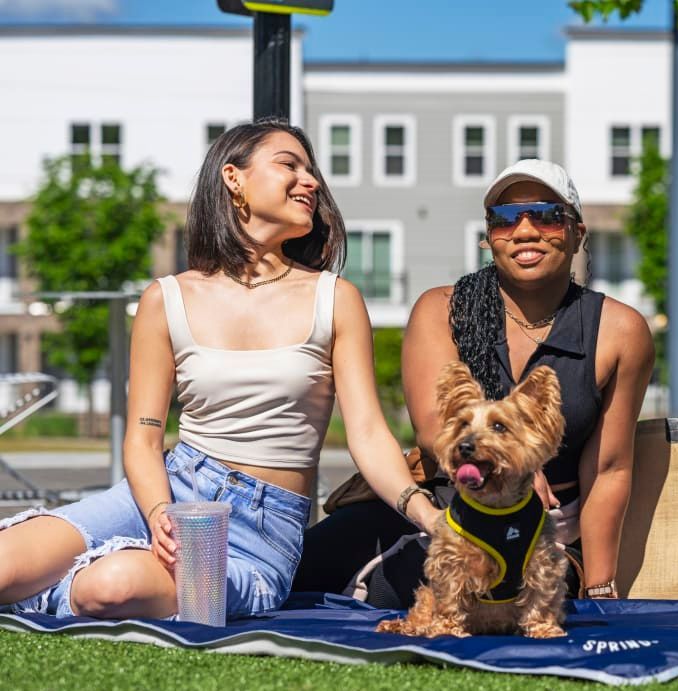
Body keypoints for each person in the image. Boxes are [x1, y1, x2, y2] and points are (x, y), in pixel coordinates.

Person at [0, 119, 440, 620]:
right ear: (234, 178)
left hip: (260, 530)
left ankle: (55, 592)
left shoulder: (335, 299)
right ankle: (38, 584)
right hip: (167, 489)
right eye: (289, 165)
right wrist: (159, 511)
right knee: (5, 566)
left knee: (110, 587)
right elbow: (144, 438)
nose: (311, 181)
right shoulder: (165, 298)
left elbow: (366, 433)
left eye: (311, 170)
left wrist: (425, 512)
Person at [294, 159, 655, 605]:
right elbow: (433, 429)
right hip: (443, 504)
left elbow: (608, 469)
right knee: (300, 571)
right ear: (489, 239)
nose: (524, 231)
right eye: (505, 220)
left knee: (433, 586)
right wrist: (513, 460)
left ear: (577, 232)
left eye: (546, 215)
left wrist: (600, 588)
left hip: (543, 532)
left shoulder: (619, 330)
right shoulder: (441, 309)